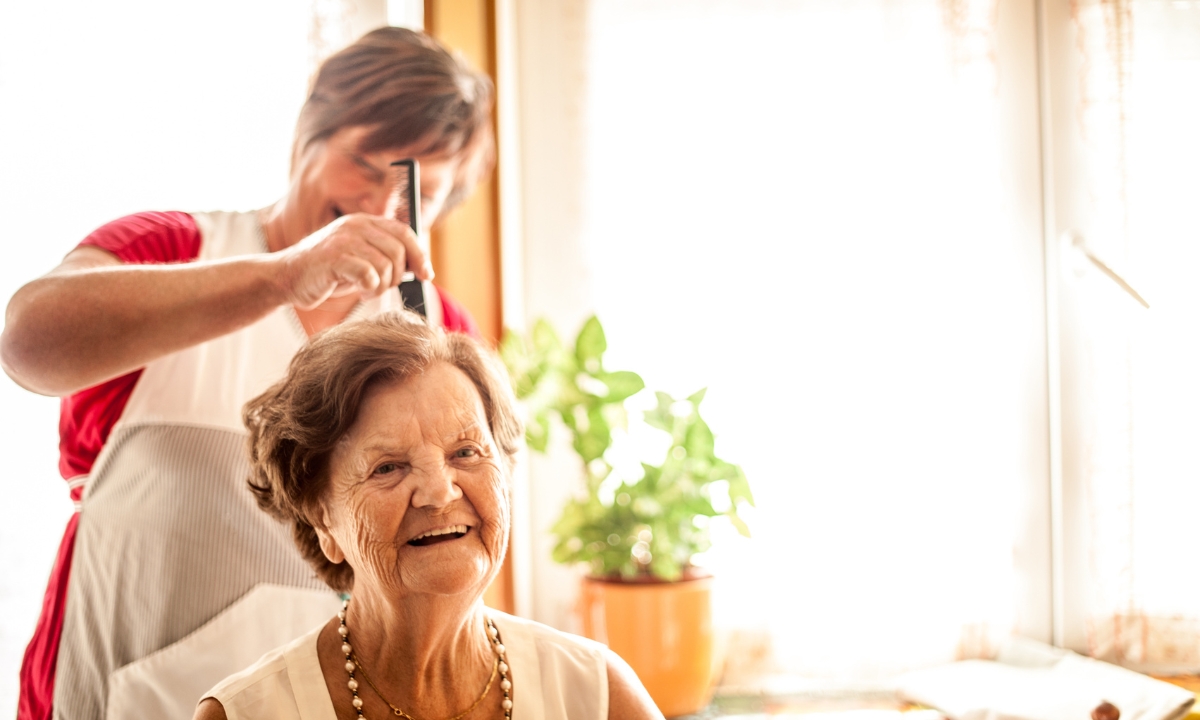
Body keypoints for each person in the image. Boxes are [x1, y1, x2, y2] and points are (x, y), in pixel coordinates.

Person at [0, 27, 492, 720]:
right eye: (366, 163)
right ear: (304, 139)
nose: (385, 205)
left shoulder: (435, 331)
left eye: (420, 191)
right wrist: (286, 277)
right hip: (123, 683)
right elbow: (27, 341)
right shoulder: (175, 250)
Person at [194, 312, 662, 720]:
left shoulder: (597, 695)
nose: (439, 492)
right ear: (323, 520)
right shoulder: (243, 714)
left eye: (466, 451)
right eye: (389, 467)